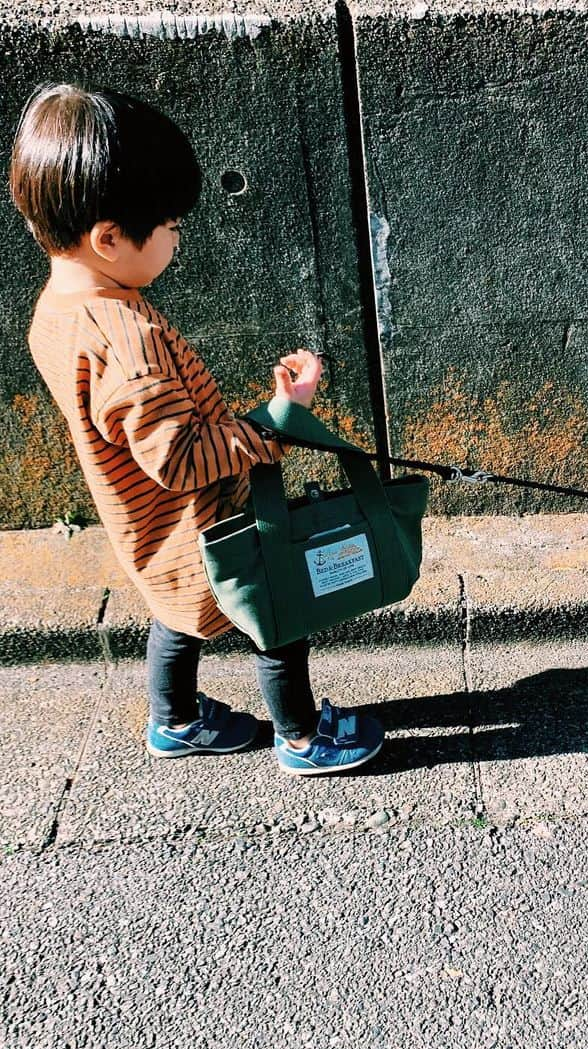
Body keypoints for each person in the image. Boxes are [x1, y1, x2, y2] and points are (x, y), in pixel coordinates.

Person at [10, 83, 383, 775]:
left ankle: (174, 719)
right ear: (110, 238)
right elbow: (180, 457)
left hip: (147, 530)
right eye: (173, 226)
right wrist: (275, 419)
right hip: (203, 521)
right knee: (278, 616)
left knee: (175, 615)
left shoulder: (54, 312)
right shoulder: (126, 337)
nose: (179, 238)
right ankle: (302, 738)